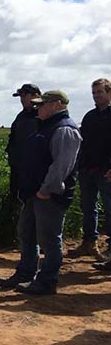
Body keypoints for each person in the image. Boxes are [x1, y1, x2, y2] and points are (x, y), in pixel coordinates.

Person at [0, 90, 81, 295]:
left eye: (42, 104)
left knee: (49, 240)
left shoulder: (65, 130)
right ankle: (25, 273)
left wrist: (46, 190)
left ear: (57, 104)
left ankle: (46, 281)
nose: (37, 108)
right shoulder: (45, 126)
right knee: (27, 234)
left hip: (49, 195)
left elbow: (62, 166)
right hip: (34, 193)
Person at [73, 78, 111, 260]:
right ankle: (89, 242)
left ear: (109, 93)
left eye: (100, 92)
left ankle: (110, 248)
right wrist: (81, 165)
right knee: (88, 207)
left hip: (107, 171)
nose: (96, 96)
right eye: (94, 93)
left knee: (110, 208)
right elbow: (83, 143)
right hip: (88, 169)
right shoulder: (90, 116)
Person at [5, 84, 41, 232]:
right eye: (20, 96)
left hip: (35, 169)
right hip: (18, 167)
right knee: (20, 200)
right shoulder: (21, 116)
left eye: (24, 95)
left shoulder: (42, 115)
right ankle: (22, 236)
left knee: (38, 205)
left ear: (36, 95)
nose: (22, 99)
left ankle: (41, 239)